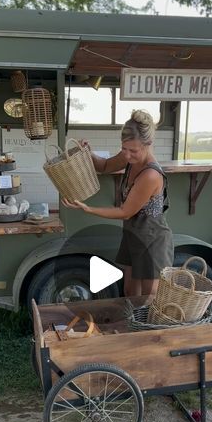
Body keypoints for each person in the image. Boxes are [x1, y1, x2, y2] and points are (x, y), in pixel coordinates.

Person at [62, 109, 174, 298]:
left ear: (149, 144)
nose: (127, 156)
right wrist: (88, 153)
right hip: (132, 234)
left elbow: (124, 212)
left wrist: (88, 209)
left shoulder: (151, 175)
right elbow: (105, 166)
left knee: (149, 296)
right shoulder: (129, 155)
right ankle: (132, 325)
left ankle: (150, 328)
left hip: (152, 239)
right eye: (124, 148)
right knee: (130, 291)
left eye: (133, 151)